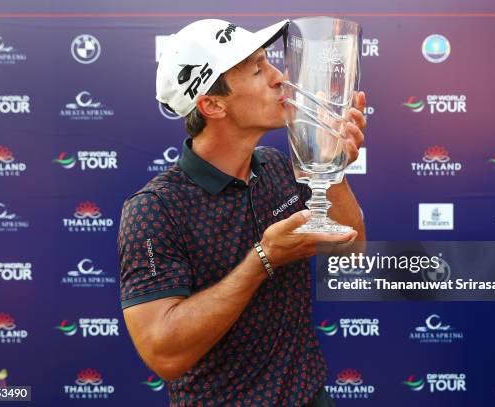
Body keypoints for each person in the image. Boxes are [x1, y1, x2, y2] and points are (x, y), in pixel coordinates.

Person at [117, 18, 367, 406]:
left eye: (270, 62)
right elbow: (163, 353)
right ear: (212, 104)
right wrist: (263, 260)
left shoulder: (278, 167)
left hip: (311, 397)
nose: (279, 77)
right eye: (257, 70)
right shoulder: (154, 210)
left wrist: (330, 163)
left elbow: (349, 252)